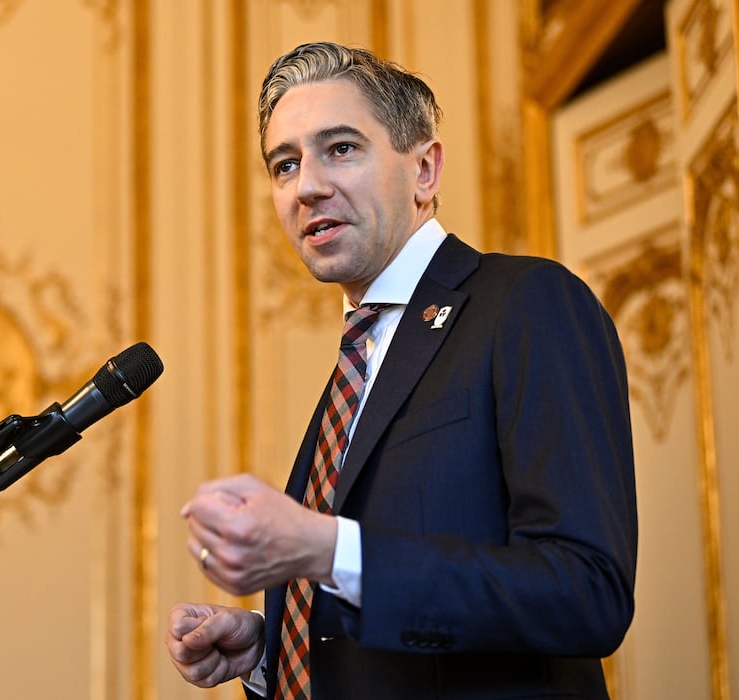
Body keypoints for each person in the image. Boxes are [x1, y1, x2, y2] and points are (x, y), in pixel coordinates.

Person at [165, 41, 637, 700]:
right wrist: (269, 647)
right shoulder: (359, 359)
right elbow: (392, 604)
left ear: (424, 170)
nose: (308, 186)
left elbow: (588, 593)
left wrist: (329, 550)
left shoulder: (527, 302)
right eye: (285, 164)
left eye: (342, 149)